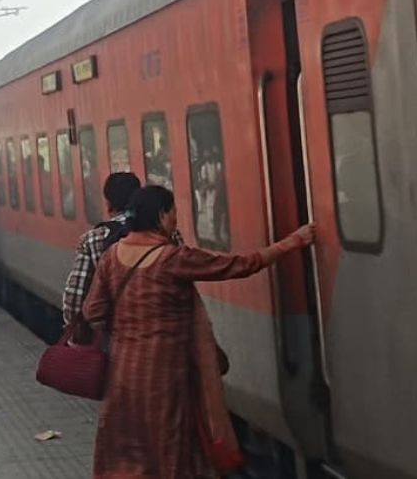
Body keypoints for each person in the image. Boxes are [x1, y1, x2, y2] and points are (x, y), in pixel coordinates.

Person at [83, 186, 315, 479]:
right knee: (169, 445)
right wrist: (292, 242)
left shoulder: (111, 256)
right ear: (161, 215)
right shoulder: (173, 258)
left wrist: (127, 327)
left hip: (123, 373)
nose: (176, 221)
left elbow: (93, 311)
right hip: (166, 373)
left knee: (128, 446)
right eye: (174, 214)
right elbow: (240, 266)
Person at [62, 172, 182, 324]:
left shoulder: (94, 239)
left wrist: (77, 331)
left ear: (108, 204)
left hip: (116, 336)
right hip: (165, 330)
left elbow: (75, 299)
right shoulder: (168, 233)